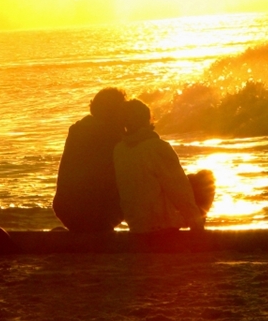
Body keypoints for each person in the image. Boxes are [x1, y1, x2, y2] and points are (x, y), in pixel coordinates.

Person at [113, 99, 214, 242]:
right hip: (160, 227)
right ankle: (198, 227)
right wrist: (195, 221)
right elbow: (179, 190)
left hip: (137, 226)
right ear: (148, 119)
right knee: (204, 178)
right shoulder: (158, 147)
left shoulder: (119, 149)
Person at [52, 88, 128, 233]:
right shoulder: (111, 135)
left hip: (65, 208)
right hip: (97, 213)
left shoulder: (78, 129)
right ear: (115, 111)